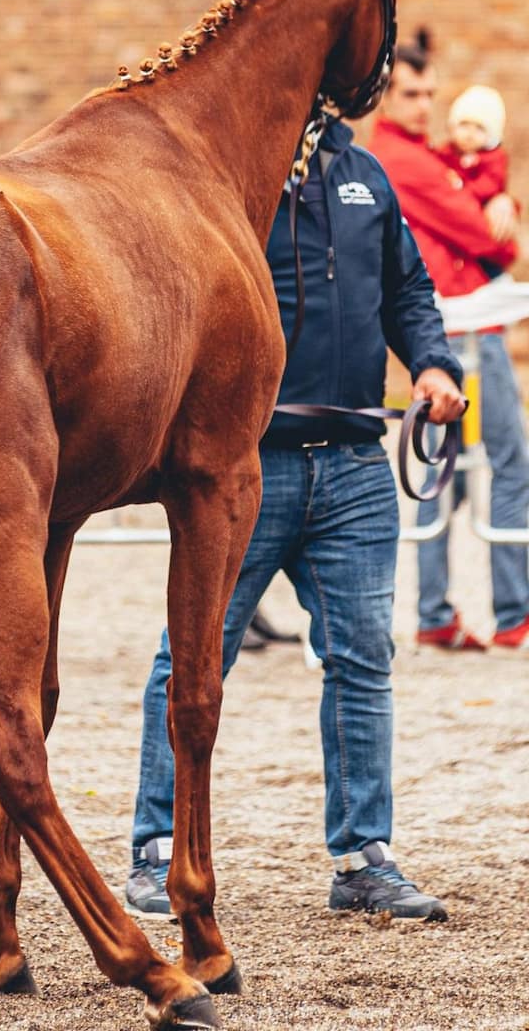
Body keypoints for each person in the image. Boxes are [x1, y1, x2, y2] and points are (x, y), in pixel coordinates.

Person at [127, 114, 465, 921]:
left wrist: (431, 363)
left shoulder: (367, 176)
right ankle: (157, 847)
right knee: (193, 655)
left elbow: (407, 288)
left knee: (362, 659)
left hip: (354, 463)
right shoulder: (227, 179)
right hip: (244, 464)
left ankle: (362, 860)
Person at [369, 44, 529, 651]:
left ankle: (437, 613)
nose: (426, 106)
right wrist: (500, 208)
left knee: (448, 477)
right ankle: (515, 612)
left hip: (450, 333)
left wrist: (501, 200)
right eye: (413, 94)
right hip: (469, 336)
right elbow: (495, 244)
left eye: (431, 94)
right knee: (512, 468)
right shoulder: (407, 162)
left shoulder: (420, 158)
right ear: (384, 96)